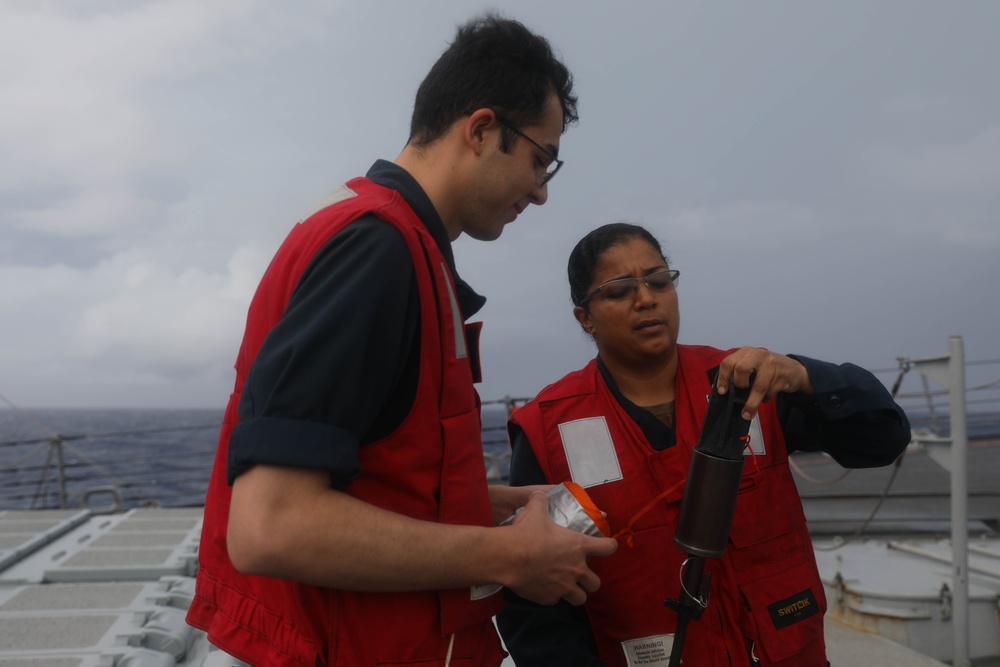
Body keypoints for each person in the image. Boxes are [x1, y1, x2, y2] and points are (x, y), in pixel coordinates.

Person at [185, 15, 618, 667]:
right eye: (539, 158)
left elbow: (372, 469)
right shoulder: (377, 251)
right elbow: (269, 525)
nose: (542, 190)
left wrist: (487, 503)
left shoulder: (382, 236)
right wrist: (511, 555)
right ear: (480, 129)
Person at [496, 222, 911, 667]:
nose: (647, 299)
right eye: (619, 291)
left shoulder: (747, 384)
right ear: (585, 317)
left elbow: (881, 441)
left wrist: (805, 377)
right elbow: (533, 610)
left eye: (658, 280)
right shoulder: (549, 427)